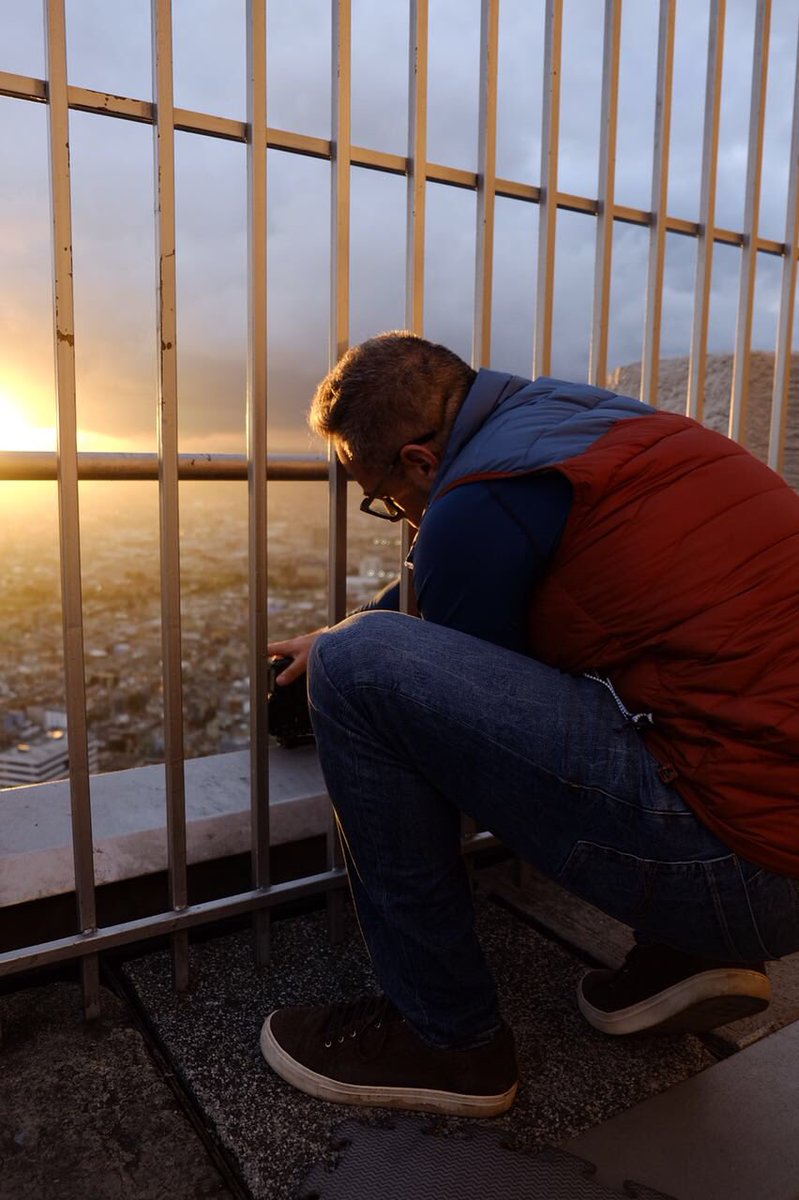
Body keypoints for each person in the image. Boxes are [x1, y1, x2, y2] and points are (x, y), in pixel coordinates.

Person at [260, 331, 799, 1118]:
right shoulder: (578, 421)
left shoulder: (480, 497)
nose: (404, 522)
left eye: (385, 500)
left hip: (744, 866)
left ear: (417, 462)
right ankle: (685, 957)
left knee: (353, 667)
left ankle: (444, 1036)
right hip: (771, 828)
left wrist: (340, 647)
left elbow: (438, 683)